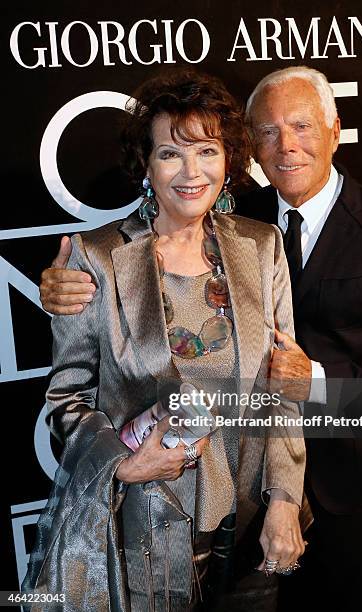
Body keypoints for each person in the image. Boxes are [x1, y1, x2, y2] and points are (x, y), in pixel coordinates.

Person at [41, 66, 362, 611]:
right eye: (267, 132)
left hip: (338, 483)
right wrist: (60, 291)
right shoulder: (245, 224)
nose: (286, 147)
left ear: (335, 130)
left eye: (303, 127)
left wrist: (319, 388)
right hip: (175, 520)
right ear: (249, 151)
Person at [25, 70, 307, 611]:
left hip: (250, 528)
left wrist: (285, 499)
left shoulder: (262, 246)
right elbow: (67, 397)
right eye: (170, 154)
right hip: (145, 532)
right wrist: (121, 465)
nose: (191, 171)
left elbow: (283, 387)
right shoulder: (99, 259)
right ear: (145, 166)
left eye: (206, 150)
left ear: (228, 161)